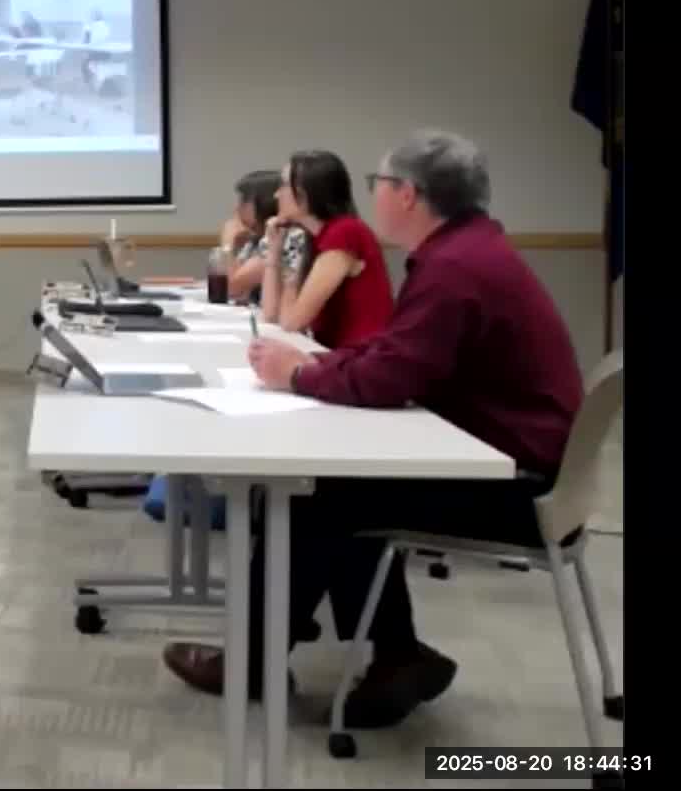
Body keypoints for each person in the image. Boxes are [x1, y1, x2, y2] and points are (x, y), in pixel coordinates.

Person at [164, 130, 585, 729]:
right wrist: (318, 366)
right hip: (520, 465)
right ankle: (396, 655)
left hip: (518, 489)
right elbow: (398, 353)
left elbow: (392, 377)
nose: (375, 195)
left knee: (317, 493)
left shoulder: (455, 268)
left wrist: (300, 376)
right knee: (341, 487)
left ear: (407, 193)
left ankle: (261, 662)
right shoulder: (467, 253)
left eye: (379, 184)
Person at [259, 150, 393, 351]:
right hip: (340, 356)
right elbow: (270, 315)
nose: (276, 194)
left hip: (363, 358)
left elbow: (292, 322)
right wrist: (274, 251)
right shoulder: (316, 236)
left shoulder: (345, 232)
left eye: (284, 185)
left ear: (306, 192)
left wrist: (290, 277)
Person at [217, 169, 307, 304]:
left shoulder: (287, 235)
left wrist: (227, 241)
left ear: (264, 202)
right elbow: (238, 292)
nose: (237, 209)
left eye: (243, 201)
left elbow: (230, 288)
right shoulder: (255, 239)